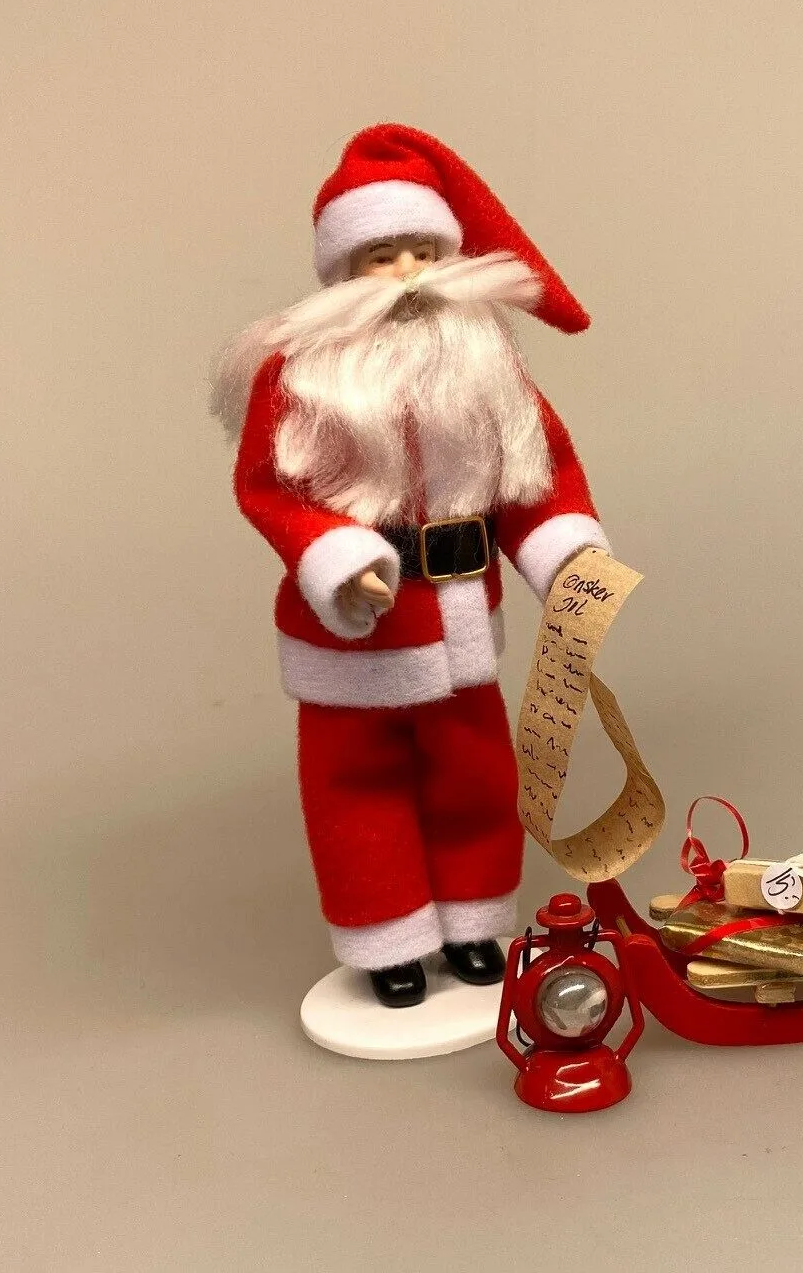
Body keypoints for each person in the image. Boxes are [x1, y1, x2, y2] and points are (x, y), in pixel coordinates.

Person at [213, 125, 609, 1007]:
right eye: (381, 256)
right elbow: (269, 490)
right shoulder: (301, 376)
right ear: (344, 271)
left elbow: (537, 474)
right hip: (354, 631)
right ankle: (385, 939)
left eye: (423, 252)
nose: (406, 274)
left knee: (477, 780)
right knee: (355, 792)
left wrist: (566, 554)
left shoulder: (486, 365)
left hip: (463, 625)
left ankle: (472, 926)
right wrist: (337, 555)